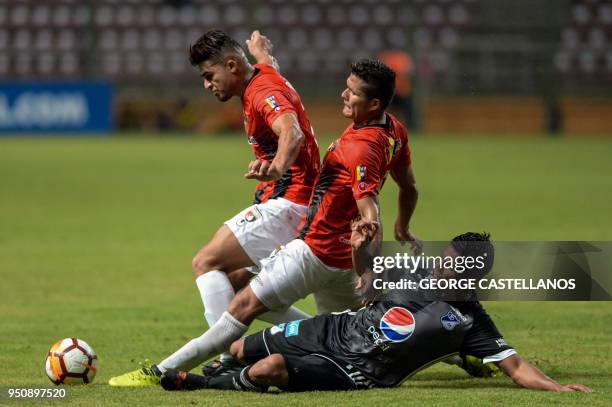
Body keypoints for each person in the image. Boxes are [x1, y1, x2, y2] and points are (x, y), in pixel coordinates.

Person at [110, 58, 421, 387]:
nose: (344, 94)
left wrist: (372, 264)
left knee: (239, 306)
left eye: (353, 92)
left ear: (374, 103)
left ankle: (158, 372)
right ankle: (455, 349)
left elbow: (370, 211)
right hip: (342, 263)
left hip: (314, 253)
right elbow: (409, 186)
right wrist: (404, 225)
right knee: (352, 332)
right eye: (346, 86)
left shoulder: (361, 147)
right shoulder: (393, 129)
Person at [109, 29, 320, 386]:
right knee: (239, 286)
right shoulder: (262, 74)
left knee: (206, 262)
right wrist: (261, 51)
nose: (207, 85)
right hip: (302, 201)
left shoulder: (262, 91)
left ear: (233, 65)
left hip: (291, 201)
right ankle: (323, 334)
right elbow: (268, 65)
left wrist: (277, 166)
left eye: (209, 76)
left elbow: (292, 131)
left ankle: (227, 358)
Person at [159, 232, 592, 394]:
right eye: (444, 257)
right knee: (237, 346)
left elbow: (516, 366)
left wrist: (557, 388)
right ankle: (221, 371)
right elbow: (363, 272)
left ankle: (203, 384)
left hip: (356, 369)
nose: (442, 264)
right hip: (331, 328)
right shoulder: (410, 271)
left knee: (269, 367)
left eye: (453, 262)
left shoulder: (470, 321)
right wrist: (358, 248)